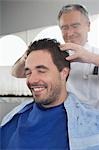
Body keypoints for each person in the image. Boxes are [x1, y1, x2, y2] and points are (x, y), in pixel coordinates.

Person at [1, 38, 99, 150]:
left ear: (64, 73)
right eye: (28, 73)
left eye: (41, 71)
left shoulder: (92, 124)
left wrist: (92, 58)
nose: (32, 80)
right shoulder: (14, 120)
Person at [11, 4, 99, 108]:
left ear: (88, 25)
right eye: (64, 28)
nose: (70, 33)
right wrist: (28, 56)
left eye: (75, 26)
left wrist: (91, 58)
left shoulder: (95, 55)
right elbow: (16, 73)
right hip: (60, 115)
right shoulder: (55, 54)